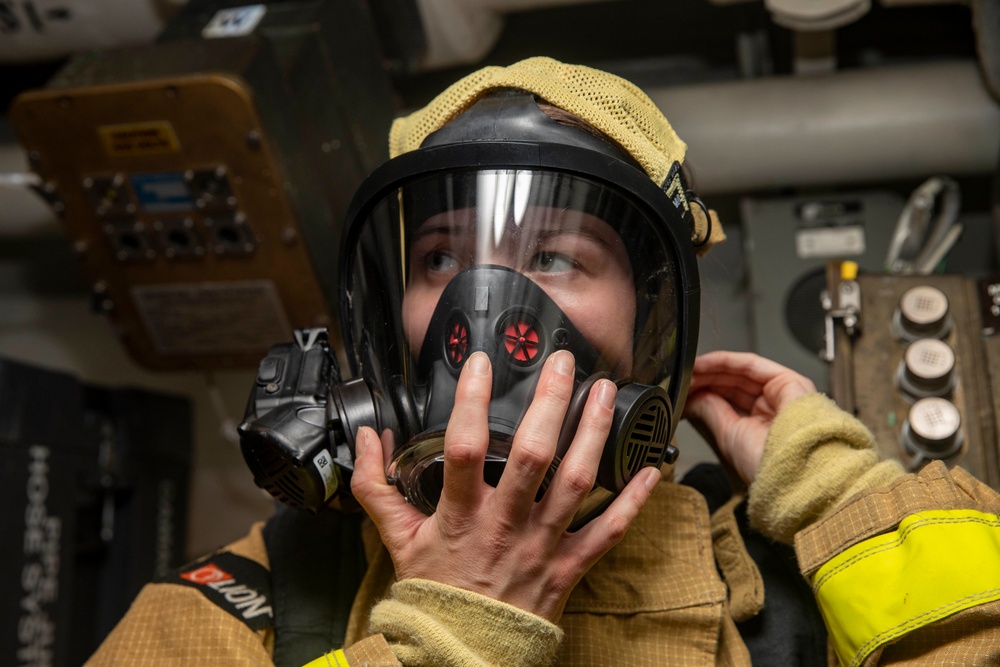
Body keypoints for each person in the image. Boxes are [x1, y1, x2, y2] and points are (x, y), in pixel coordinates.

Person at [87, 57, 1000, 667]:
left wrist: (834, 491)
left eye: (557, 255)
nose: (483, 302)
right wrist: (445, 631)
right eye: (440, 257)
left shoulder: (784, 571)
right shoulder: (244, 608)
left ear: (650, 322)